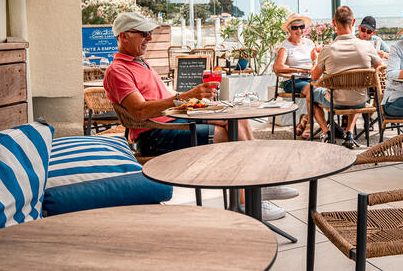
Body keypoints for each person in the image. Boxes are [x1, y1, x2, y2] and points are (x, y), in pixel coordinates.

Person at [104, 13, 295, 220]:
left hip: (172, 123)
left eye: (149, 33)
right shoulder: (118, 71)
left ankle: (258, 184)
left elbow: (163, 101)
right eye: (144, 33)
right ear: (124, 36)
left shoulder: (140, 64)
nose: (149, 38)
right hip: (155, 137)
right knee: (228, 137)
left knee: (236, 119)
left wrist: (202, 106)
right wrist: (184, 97)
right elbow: (140, 111)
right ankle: (248, 198)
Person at [310, 6, 382, 149]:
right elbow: (380, 69)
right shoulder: (367, 47)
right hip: (360, 101)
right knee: (356, 93)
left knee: (310, 94)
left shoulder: (328, 50)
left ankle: (326, 132)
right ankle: (349, 132)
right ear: (354, 22)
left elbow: (314, 77)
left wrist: (315, 60)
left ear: (334, 23)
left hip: (335, 101)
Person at [273, 13, 318, 138]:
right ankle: (310, 123)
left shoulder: (309, 43)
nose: (299, 30)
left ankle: (306, 118)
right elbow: (278, 67)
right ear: (289, 29)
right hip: (293, 80)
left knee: (327, 88)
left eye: (301, 27)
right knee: (312, 90)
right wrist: (299, 71)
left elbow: (316, 61)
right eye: (295, 28)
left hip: (311, 78)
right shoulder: (285, 46)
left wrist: (314, 66)